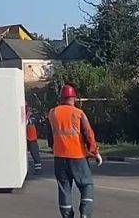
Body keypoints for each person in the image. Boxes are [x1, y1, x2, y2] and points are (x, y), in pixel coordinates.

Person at [47, 83, 101, 218]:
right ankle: (85, 213)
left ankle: (67, 215)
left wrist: (54, 147)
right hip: (78, 156)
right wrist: (95, 152)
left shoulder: (53, 113)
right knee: (86, 184)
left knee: (64, 189)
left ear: (61, 98)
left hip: (59, 157)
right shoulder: (79, 113)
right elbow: (88, 134)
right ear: (74, 98)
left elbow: (50, 135)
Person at [26, 107, 43, 174]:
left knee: (35, 153)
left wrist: (28, 121)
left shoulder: (32, 115)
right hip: (25, 137)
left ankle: (38, 168)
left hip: (31, 137)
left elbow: (33, 120)